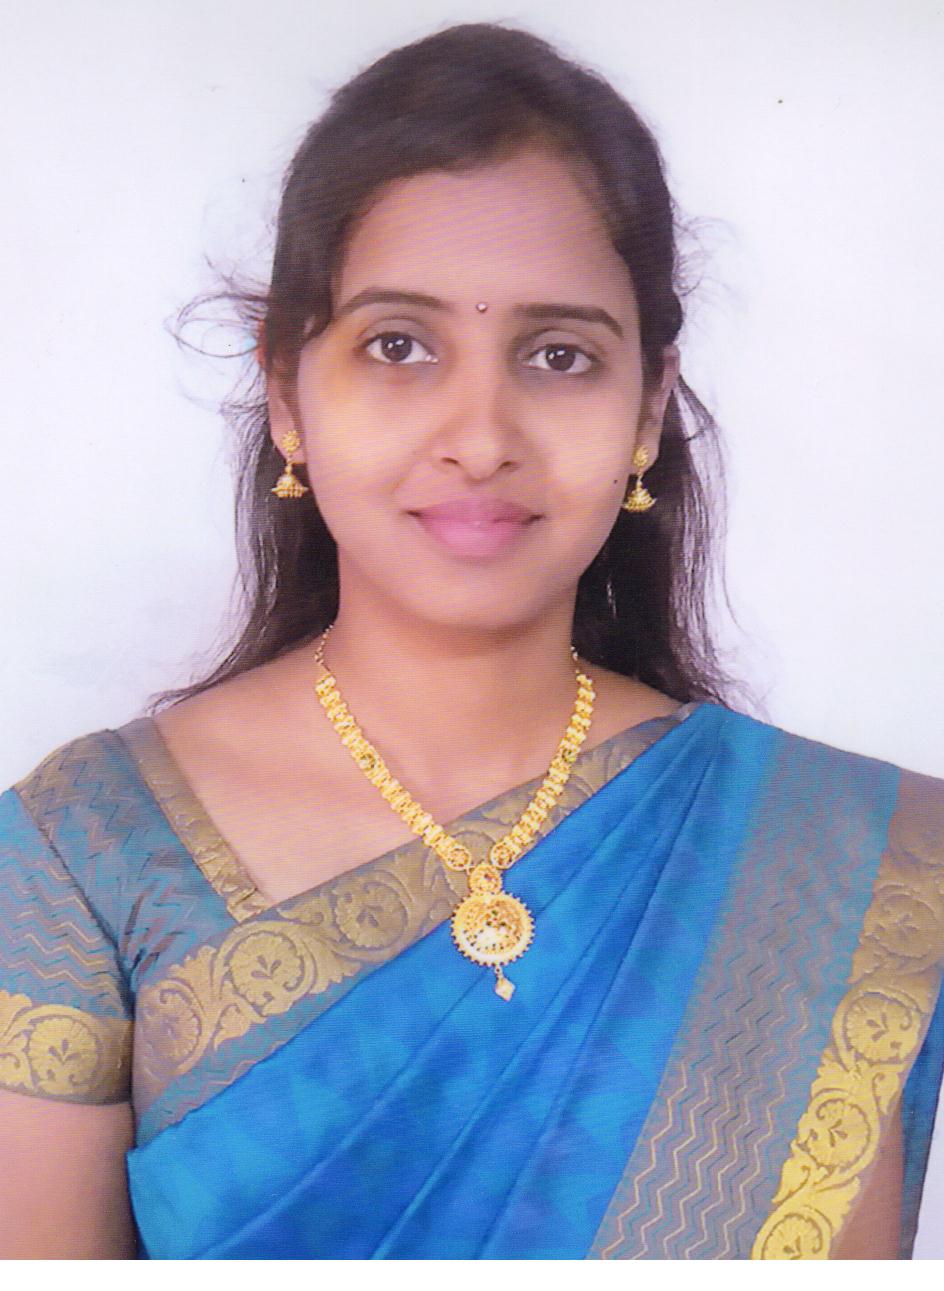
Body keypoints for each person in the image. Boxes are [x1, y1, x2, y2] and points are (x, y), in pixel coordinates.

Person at [0, 20, 942, 1261]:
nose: (481, 435)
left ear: (646, 407)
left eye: (558, 356)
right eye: (398, 346)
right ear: (287, 395)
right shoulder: (81, 855)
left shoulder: (855, 858)